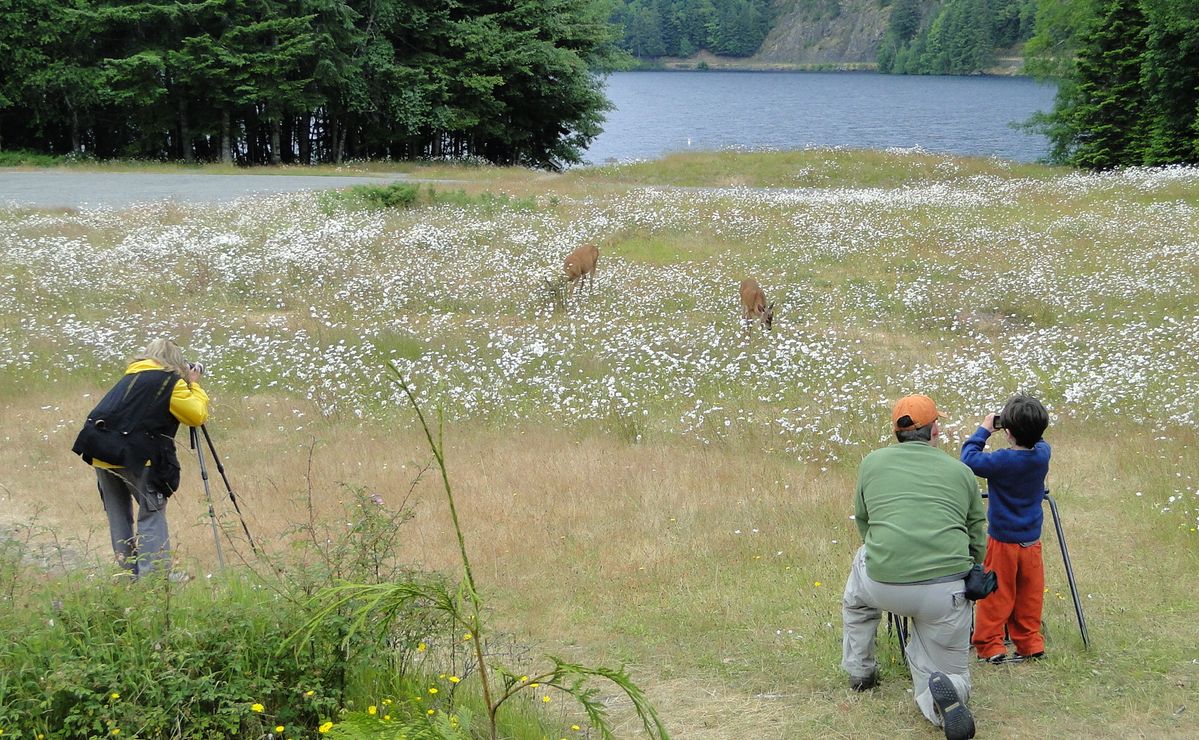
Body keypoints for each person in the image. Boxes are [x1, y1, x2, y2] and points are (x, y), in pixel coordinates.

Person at [841, 394, 986, 740]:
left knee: (856, 601)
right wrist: (973, 567)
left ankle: (861, 671)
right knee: (947, 665)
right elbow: (976, 532)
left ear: (897, 431)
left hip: (883, 582)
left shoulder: (871, 464)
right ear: (935, 429)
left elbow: (864, 520)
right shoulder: (960, 471)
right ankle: (942, 696)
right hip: (945, 589)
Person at [72, 338, 209, 578]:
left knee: (118, 515)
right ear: (176, 361)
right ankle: (153, 581)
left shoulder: (130, 376)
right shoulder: (170, 382)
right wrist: (194, 385)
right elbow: (196, 416)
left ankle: (127, 574)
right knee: (151, 512)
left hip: (101, 451)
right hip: (138, 458)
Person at [961, 394, 1051, 664]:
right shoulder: (1043, 455)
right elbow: (1040, 440)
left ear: (1007, 432)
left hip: (1002, 542)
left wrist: (985, 429)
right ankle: (1030, 642)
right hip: (1031, 542)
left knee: (995, 594)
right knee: (1029, 594)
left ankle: (990, 645)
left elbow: (969, 457)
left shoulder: (1000, 462)